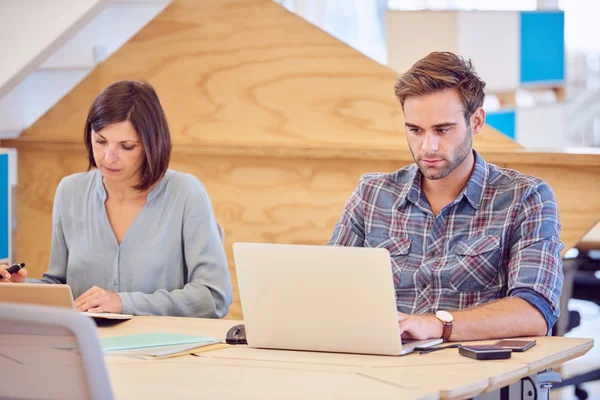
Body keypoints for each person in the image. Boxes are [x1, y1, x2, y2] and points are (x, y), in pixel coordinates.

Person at [328, 52, 563, 342]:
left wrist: (437, 325)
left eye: (443, 130)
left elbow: (535, 312)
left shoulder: (526, 197)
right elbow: (330, 289)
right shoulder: (372, 194)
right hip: (382, 365)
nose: (428, 146)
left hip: (475, 372)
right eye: (415, 130)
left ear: (476, 122)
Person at [1, 80, 233, 318]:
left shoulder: (186, 193)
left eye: (127, 146)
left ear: (152, 145)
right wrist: (19, 290)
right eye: (100, 141)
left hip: (162, 350)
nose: (108, 158)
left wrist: (124, 303)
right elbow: (60, 286)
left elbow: (213, 297)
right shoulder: (70, 191)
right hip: (85, 346)